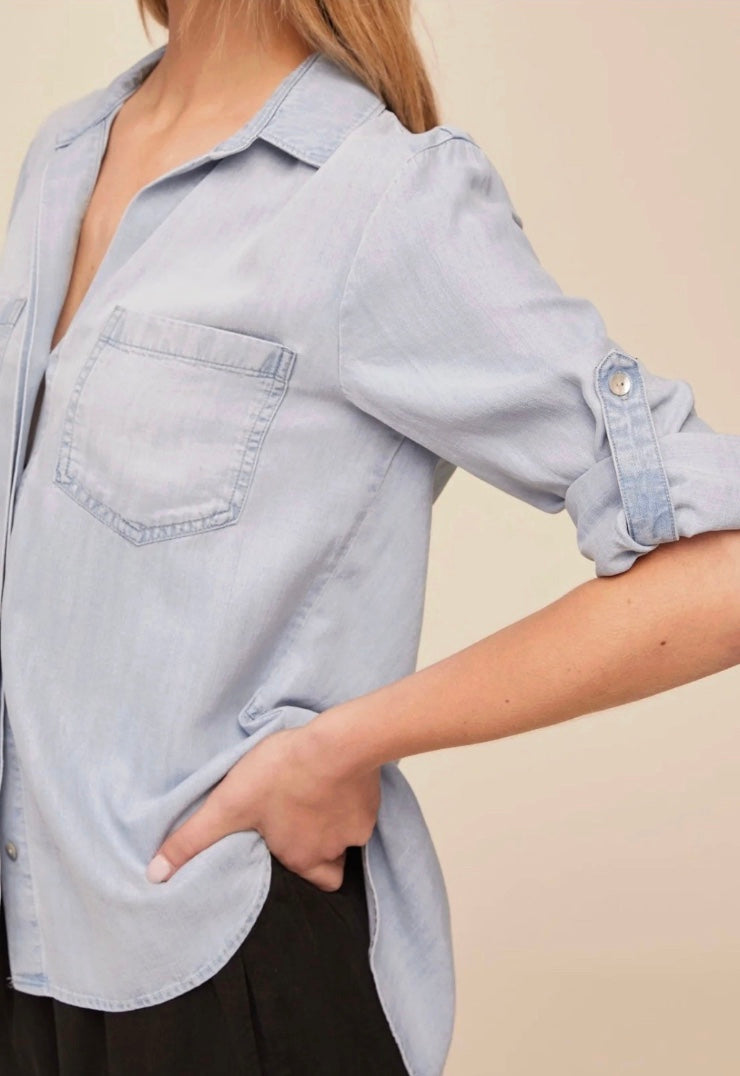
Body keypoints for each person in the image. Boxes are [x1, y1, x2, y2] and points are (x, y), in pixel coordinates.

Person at [0, 1, 739, 1074]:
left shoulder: (376, 197)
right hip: (31, 952)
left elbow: (718, 567)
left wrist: (343, 744)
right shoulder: (65, 154)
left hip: (218, 959)